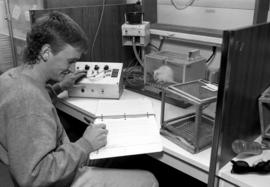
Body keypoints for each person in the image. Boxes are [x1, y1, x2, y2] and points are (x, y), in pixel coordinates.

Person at [0, 11, 158, 187]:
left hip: (40, 163)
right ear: (46, 52)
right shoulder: (29, 101)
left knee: (119, 158)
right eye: (69, 61)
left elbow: (34, 109)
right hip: (51, 179)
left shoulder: (13, 78)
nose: (71, 68)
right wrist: (85, 144)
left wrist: (59, 87)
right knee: (149, 180)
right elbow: (35, 175)